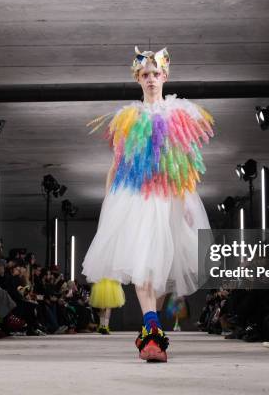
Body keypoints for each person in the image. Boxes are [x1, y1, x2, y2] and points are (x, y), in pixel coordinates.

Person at [82, 47, 214, 362]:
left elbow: (185, 164)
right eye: (145, 75)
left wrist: (184, 204)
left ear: (165, 76)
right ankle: (152, 335)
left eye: (156, 74)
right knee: (144, 266)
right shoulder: (128, 118)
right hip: (136, 197)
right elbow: (116, 165)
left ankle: (149, 325)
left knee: (164, 273)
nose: (151, 79)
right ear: (138, 79)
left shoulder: (180, 115)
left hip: (170, 197)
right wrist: (108, 202)